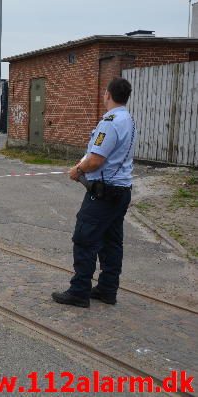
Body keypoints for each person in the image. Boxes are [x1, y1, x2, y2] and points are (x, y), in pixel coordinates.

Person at [52, 77, 135, 308]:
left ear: (107, 94)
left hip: (104, 193)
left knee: (84, 238)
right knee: (111, 242)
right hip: (120, 191)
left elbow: (96, 160)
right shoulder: (127, 118)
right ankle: (107, 289)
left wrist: (78, 170)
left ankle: (79, 291)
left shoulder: (110, 122)